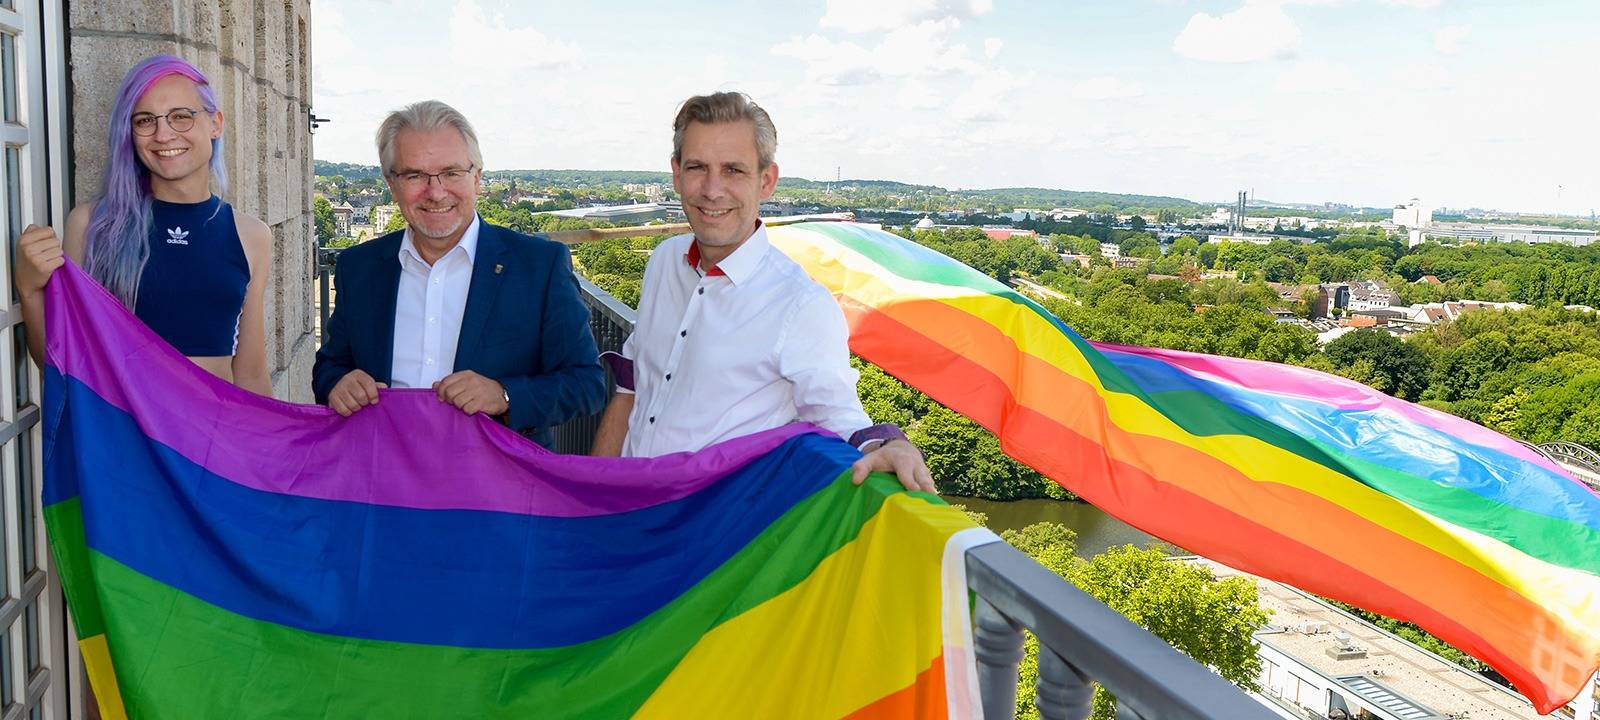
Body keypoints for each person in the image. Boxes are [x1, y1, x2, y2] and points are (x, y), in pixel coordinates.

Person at [590, 92, 934, 492]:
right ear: (676, 175)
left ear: (766, 180)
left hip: (704, 535)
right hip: (621, 512)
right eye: (697, 167)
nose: (712, 190)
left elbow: (838, 416)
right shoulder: (665, 261)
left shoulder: (800, 305)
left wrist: (889, 444)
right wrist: (590, 495)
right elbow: (631, 386)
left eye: (734, 170)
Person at [312, 100, 606, 449]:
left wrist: (505, 396)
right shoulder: (359, 267)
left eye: (451, 172)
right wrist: (337, 384)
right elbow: (330, 366)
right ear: (392, 184)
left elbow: (587, 385)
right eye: (415, 175)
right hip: (385, 482)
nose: (435, 192)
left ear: (477, 178)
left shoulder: (539, 266)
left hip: (498, 488)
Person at [14, 54, 272, 395]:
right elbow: (62, 365)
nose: (163, 135)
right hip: (125, 439)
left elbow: (251, 375)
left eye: (181, 116)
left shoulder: (252, 236)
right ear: (130, 133)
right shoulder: (93, 225)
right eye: (145, 120)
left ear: (215, 124)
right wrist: (31, 292)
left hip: (209, 443)